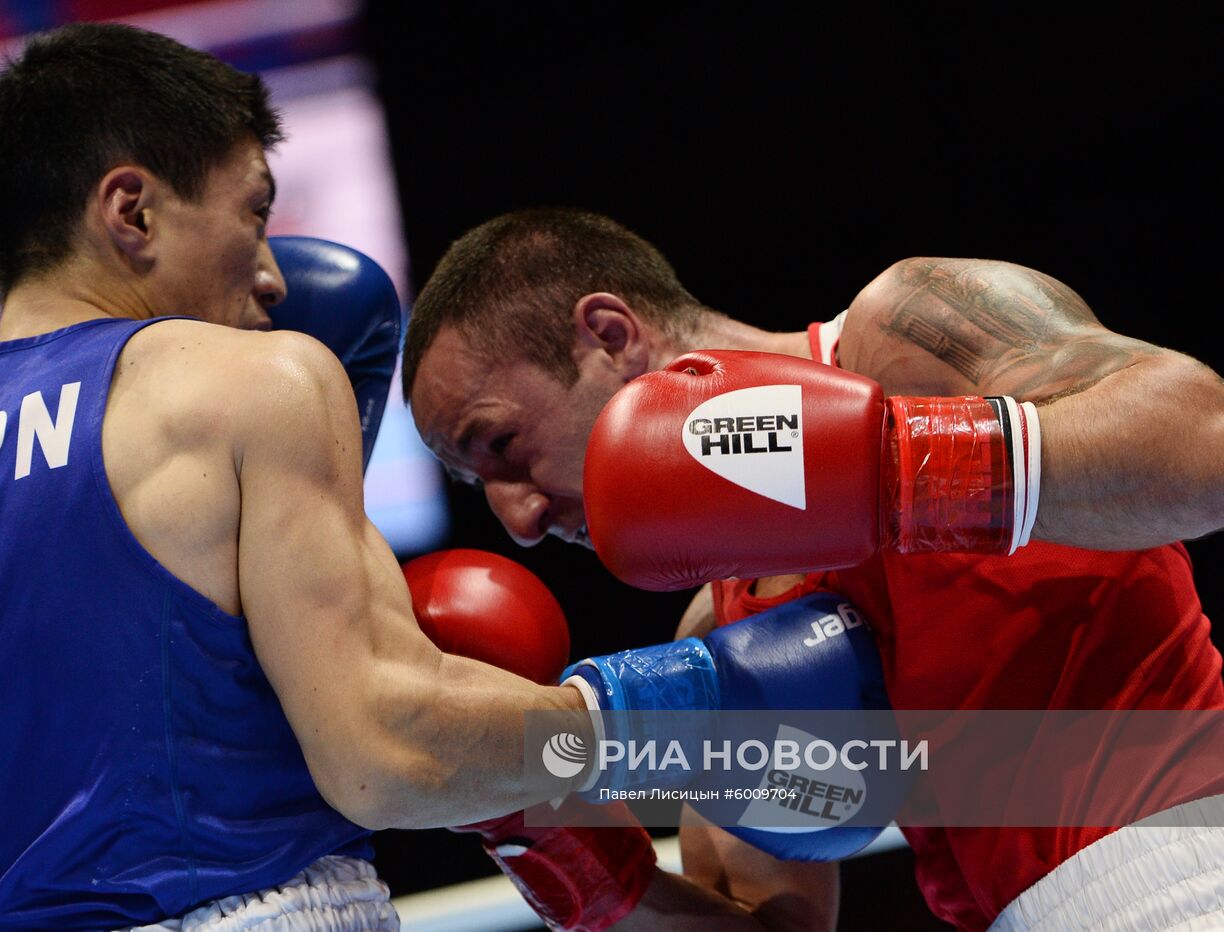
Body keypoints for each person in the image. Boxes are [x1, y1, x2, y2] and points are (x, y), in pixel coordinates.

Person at [0, 24, 635, 930]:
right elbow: (385, 755)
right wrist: (699, 725)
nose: (272, 273)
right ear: (130, 211)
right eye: (255, 211)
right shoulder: (251, 381)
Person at [402, 206, 1224, 930]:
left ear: (610, 335)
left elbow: (1206, 448)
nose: (519, 519)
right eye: (481, 490)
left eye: (501, 445)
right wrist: (539, 822)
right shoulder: (726, 631)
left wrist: (887, 469)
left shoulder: (898, 333)